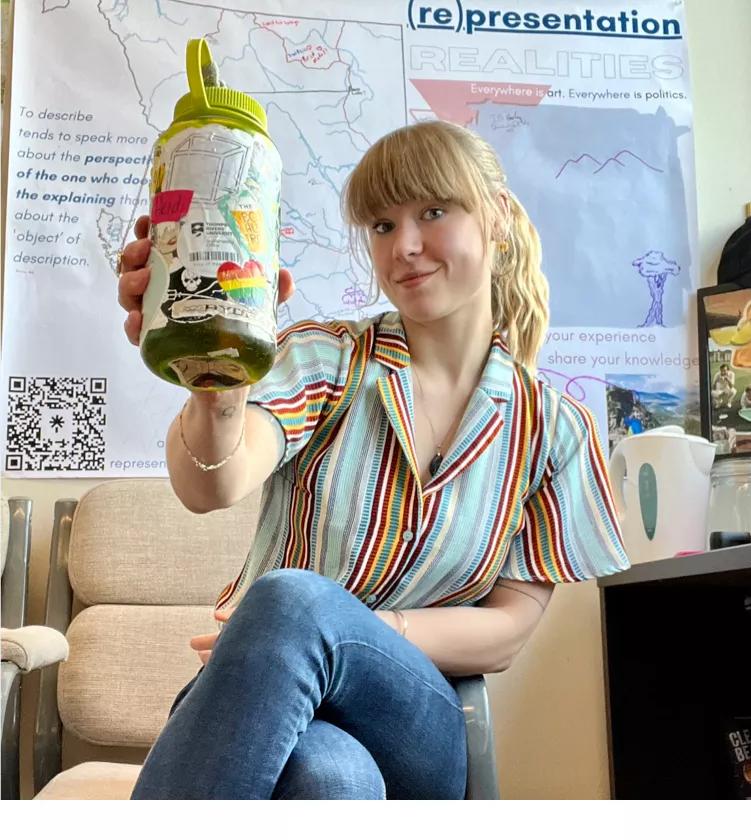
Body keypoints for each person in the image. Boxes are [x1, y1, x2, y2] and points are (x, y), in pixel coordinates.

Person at [117, 120, 629, 800]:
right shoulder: (326, 359)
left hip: (418, 723)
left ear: (497, 216)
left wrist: (337, 633)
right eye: (383, 226)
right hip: (268, 711)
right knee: (330, 779)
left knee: (293, 603)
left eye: (434, 212)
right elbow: (215, 485)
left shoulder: (554, 432)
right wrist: (219, 371)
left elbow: (507, 633)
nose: (406, 247)